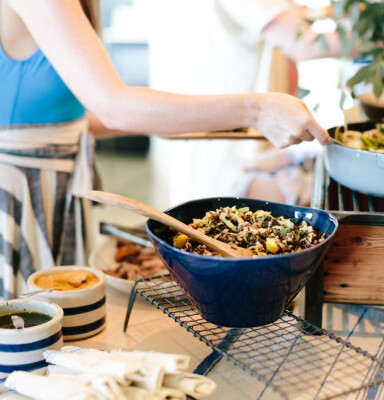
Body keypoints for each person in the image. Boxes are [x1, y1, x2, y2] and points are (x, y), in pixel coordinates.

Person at [0, 0, 329, 300]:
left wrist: (182, 124)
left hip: (54, 184)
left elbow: (69, 115)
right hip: (19, 195)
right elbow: (114, 106)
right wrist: (255, 110)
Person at [146, 0, 342, 207]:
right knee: (227, 212)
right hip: (229, 124)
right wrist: (376, 35)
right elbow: (304, 44)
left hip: (201, 110)